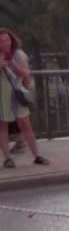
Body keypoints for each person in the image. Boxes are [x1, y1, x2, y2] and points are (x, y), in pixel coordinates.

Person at [0, 28, 49, 167]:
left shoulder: (18, 54)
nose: (5, 43)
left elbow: (26, 73)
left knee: (26, 125)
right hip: (2, 96)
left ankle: (37, 156)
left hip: (17, 94)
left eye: (7, 40)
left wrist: (11, 64)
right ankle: (7, 158)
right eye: (2, 41)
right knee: (2, 127)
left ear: (12, 40)